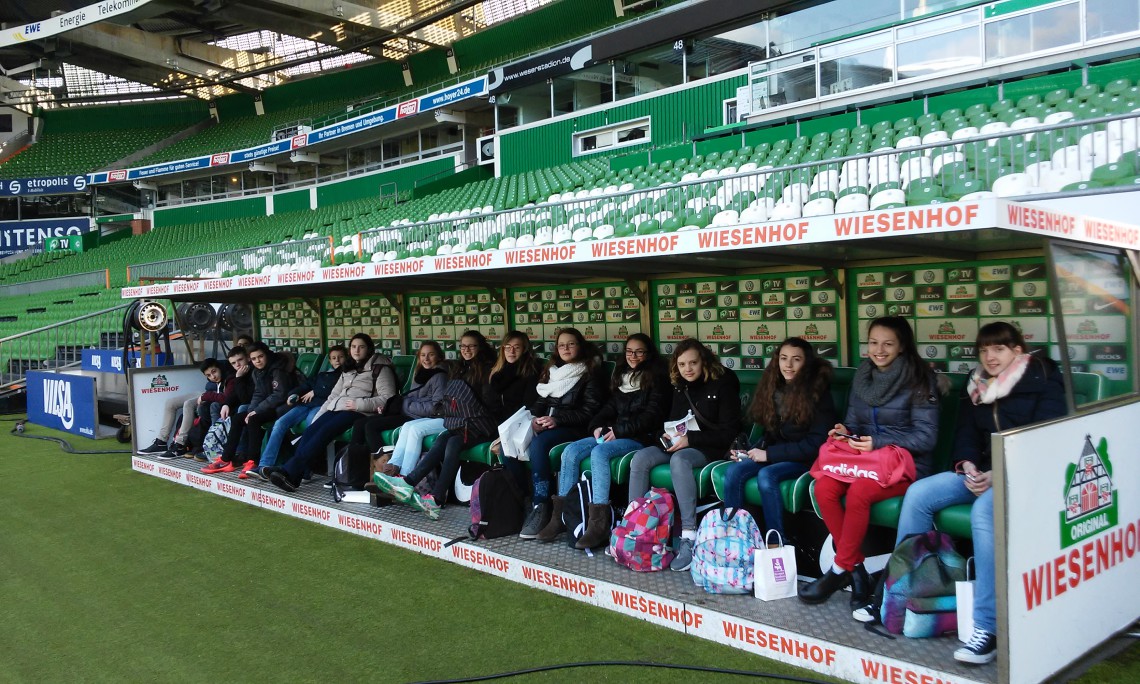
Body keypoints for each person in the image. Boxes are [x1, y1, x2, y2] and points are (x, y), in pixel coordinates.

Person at [865, 321, 1065, 664]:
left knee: (984, 511)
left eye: (999, 349)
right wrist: (968, 465)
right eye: (984, 350)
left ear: (1017, 351)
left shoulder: (1043, 379)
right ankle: (895, 594)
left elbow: (1046, 438)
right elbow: (967, 434)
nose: (990, 356)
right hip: (983, 473)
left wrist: (998, 474)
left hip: (1027, 475)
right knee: (920, 494)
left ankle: (988, 628)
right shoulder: (977, 384)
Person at [799, 316, 941, 606]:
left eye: (888, 344)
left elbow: (926, 438)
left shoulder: (920, 379)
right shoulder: (863, 375)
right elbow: (854, 424)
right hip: (865, 462)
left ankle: (839, 570)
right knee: (824, 487)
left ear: (902, 346)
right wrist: (845, 431)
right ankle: (857, 570)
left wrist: (878, 442)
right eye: (874, 342)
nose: (879, 350)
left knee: (860, 491)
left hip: (905, 466)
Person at [538, 333, 670, 547]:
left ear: (648, 354)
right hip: (615, 433)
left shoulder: (657, 379)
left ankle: (598, 523)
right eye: (629, 351)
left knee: (599, 452)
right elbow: (608, 408)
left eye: (639, 352)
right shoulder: (622, 376)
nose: (633, 356)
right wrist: (597, 426)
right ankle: (561, 516)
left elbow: (651, 417)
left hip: (640, 438)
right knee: (571, 451)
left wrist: (619, 430)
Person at [628, 338, 742, 570]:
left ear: (704, 361)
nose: (687, 369)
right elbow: (672, 422)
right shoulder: (680, 385)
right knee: (641, 458)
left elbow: (728, 432)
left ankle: (689, 535)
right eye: (682, 364)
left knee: (680, 460)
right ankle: (633, 528)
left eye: (693, 363)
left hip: (711, 447)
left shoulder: (723, 382)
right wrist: (665, 437)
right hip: (683, 443)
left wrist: (691, 439)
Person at [373, 331, 500, 519]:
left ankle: (436, 498)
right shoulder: (460, 368)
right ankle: (409, 483)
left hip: (484, 426)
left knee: (453, 443)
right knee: (443, 439)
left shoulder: (488, 369)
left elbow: (491, 405)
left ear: (480, 347)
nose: (466, 349)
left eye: (471, 346)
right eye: (463, 346)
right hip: (462, 424)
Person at [721, 338, 835, 542]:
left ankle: (776, 542)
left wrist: (768, 454)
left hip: (805, 460)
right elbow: (772, 434)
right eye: (783, 358)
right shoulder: (775, 387)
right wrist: (752, 451)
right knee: (734, 471)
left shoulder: (818, 393)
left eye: (796, 359)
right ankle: (735, 540)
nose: (788, 365)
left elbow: (815, 445)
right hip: (777, 455)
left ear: (806, 363)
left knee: (767, 476)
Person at [263, 333, 398, 492]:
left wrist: (358, 404)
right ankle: (293, 476)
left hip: (361, 412)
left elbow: (388, 398)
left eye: (361, 347)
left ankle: (288, 471)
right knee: (311, 430)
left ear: (369, 349)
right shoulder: (348, 367)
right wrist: (319, 416)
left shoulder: (380, 368)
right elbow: (333, 395)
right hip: (337, 407)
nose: (356, 350)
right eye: (353, 347)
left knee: (324, 432)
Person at [512, 328, 606, 539]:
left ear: (580, 346)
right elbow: (540, 403)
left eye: (571, 344)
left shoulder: (590, 372)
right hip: (549, 425)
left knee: (539, 444)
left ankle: (541, 505)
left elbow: (589, 412)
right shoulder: (552, 371)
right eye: (561, 345)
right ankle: (525, 503)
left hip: (575, 429)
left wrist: (558, 420)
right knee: (507, 446)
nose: (566, 348)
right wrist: (534, 420)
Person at [243, 344, 347, 479]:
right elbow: (306, 385)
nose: (337, 360)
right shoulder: (323, 374)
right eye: (333, 358)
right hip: (305, 404)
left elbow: (337, 392)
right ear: (330, 361)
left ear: (347, 358)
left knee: (311, 427)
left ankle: (305, 468)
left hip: (322, 406)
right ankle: (264, 465)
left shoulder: (347, 374)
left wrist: (315, 391)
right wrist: (294, 394)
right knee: (280, 424)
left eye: (340, 357)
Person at [369, 340, 450, 475]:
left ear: (439, 357)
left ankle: (405, 475)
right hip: (421, 416)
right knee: (407, 426)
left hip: (441, 418)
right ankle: (392, 467)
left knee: (415, 430)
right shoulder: (421, 373)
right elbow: (414, 398)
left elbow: (437, 407)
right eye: (423, 355)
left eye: (431, 355)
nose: (426, 359)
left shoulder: (440, 376)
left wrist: (405, 405)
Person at [141, 357, 226, 458]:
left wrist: (205, 396)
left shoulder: (227, 375)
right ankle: (161, 442)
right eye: (208, 375)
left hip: (212, 397)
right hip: (207, 393)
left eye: (214, 372)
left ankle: (180, 445)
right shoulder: (211, 382)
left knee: (188, 404)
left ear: (219, 368)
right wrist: (205, 395)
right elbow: (209, 389)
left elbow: (223, 395)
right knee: (170, 403)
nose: (213, 376)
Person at [199, 346, 254, 471]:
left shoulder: (248, 373)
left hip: (259, 406)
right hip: (248, 405)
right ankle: (217, 445)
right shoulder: (237, 374)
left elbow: (245, 398)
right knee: (207, 406)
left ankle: (239, 454)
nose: (237, 364)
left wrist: (239, 378)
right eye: (233, 363)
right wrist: (226, 404)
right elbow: (233, 396)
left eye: (240, 360)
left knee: (240, 412)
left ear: (247, 358)